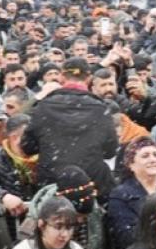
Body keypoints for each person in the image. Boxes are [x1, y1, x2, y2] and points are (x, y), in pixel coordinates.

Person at [20, 57, 119, 198]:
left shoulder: (44, 106)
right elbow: (110, 150)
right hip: (90, 185)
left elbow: (27, 147)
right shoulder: (100, 109)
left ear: (61, 77)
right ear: (89, 78)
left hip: (52, 186)